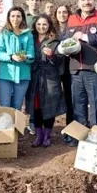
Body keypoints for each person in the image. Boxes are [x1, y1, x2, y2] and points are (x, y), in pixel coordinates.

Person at [60, 0, 97, 146]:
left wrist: (84, 37)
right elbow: (63, 39)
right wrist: (62, 47)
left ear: (94, 0)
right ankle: (80, 139)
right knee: (78, 106)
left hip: (94, 70)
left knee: (96, 105)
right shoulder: (71, 19)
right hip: (75, 71)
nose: (86, 2)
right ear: (78, 2)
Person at [30, 14, 66, 147]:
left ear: (49, 26)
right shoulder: (30, 39)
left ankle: (47, 135)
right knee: (36, 107)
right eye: (39, 24)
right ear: (35, 26)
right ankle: (38, 135)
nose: (41, 27)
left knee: (49, 106)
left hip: (50, 77)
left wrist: (52, 55)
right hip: (35, 77)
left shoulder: (55, 41)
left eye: (44, 24)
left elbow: (61, 61)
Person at [0, 7, 35, 110]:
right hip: (5, 75)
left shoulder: (28, 35)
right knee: (4, 106)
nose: (15, 19)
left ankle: (15, 126)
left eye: (18, 16)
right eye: (13, 16)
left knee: (17, 106)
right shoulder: (2, 34)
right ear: (8, 18)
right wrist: (11, 57)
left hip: (23, 76)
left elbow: (31, 55)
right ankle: (6, 126)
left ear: (22, 18)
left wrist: (25, 57)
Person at [52, 4, 74, 129]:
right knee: (53, 97)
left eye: (65, 12)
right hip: (54, 67)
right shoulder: (52, 29)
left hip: (69, 67)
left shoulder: (73, 28)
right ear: (55, 14)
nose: (62, 14)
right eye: (59, 12)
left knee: (70, 98)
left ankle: (70, 126)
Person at [24, 0, 42, 133]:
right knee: (27, 91)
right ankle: (28, 119)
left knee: (36, 92)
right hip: (23, 59)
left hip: (38, 58)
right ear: (27, 1)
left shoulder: (42, 18)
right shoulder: (22, 17)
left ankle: (34, 120)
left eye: (37, 0)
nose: (34, 2)